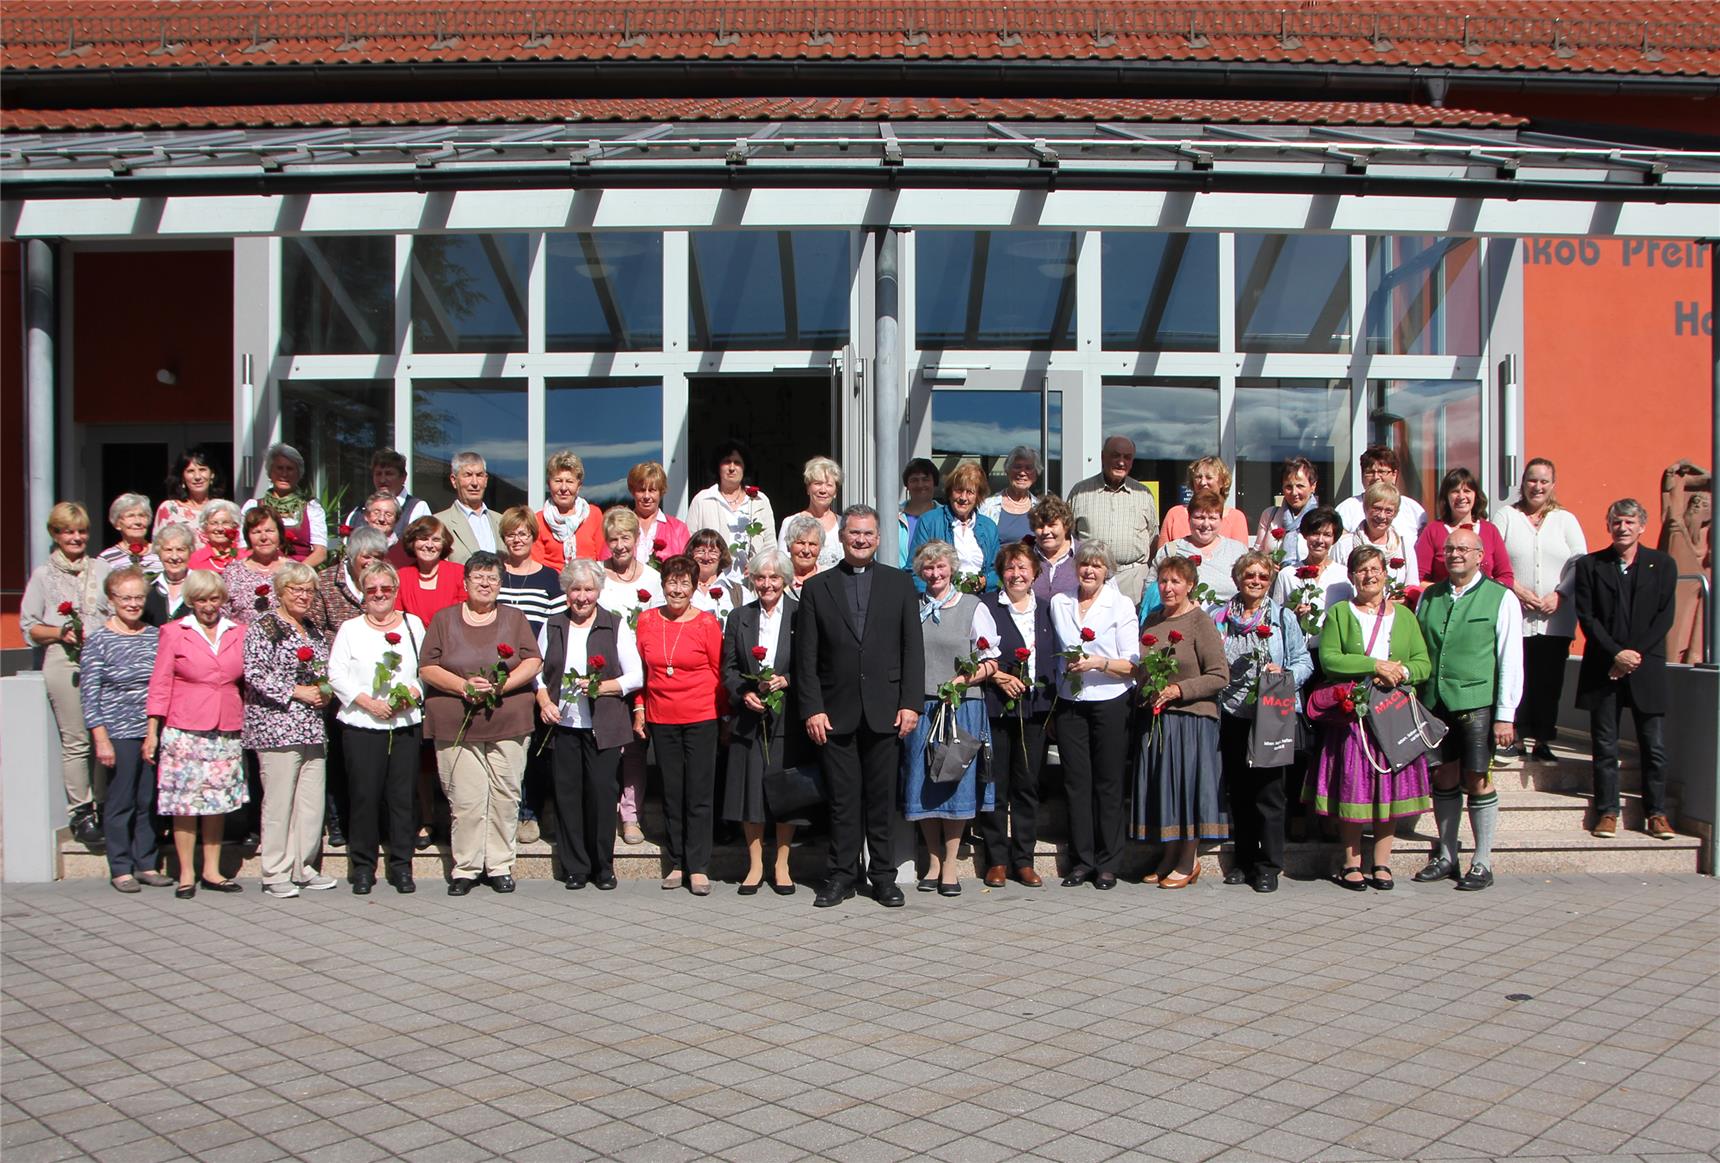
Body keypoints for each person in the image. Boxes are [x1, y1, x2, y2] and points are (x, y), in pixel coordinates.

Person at [798, 505, 924, 909]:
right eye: (854, 533)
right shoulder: (817, 588)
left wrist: (911, 703)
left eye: (869, 534)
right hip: (835, 711)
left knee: (882, 800)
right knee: (842, 800)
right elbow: (807, 657)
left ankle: (884, 877)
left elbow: (912, 649)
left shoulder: (900, 584)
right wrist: (812, 708)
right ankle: (841, 876)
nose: (861, 540)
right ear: (842, 537)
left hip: (886, 710)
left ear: (880, 538)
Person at [1305, 545, 1434, 891]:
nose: (1370, 575)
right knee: (1355, 787)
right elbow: (1331, 659)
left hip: (1392, 714)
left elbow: (1423, 663)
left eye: (1375, 568)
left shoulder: (1405, 617)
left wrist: (1401, 671)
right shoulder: (1340, 614)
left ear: (1385, 573)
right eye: (1362, 570)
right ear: (1351, 577)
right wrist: (1374, 665)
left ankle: (1382, 862)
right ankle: (1351, 862)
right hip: (1355, 716)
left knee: (1387, 791)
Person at [419, 551, 543, 894]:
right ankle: (467, 867)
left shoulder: (515, 618)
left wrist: (502, 685)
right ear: (466, 583)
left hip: (508, 720)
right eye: (479, 577)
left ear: (501, 584)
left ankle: (500, 865)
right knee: (467, 800)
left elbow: (533, 661)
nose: (486, 584)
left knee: (505, 796)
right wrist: (462, 686)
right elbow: (427, 668)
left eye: (493, 578)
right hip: (455, 723)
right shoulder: (444, 620)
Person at [1412, 527, 1524, 892]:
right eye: (1449, 549)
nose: (1455, 554)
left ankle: (1482, 860)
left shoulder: (1500, 598)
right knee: (1443, 776)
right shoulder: (1429, 596)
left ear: (1481, 556)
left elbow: (1510, 658)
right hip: (1434, 702)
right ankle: (1447, 854)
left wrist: (1506, 712)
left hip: (1476, 702)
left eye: (1464, 548)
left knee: (1476, 778)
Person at [1574, 499, 1678, 842]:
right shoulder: (1591, 565)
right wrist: (1617, 654)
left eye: (1630, 522)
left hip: (1647, 666)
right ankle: (1607, 812)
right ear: (1609, 525)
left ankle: (1657, 813)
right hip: (1604, 667)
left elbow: (1664, 616)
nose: (1623, 527)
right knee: (1605, 744)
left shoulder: (1662, 565)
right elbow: (1587, 617)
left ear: (1641, 526)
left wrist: (1633, 655)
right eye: (1617, 522)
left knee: (1654, 745)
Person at [536, 559, 641, 892]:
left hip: (604, 727)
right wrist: (544, 701)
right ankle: (575, 867)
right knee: (567, 797)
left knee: (600, 793)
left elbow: (636, 675)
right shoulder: (553, 625)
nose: (581, 597)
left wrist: (601, 687)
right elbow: (537, 673)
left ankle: (603, 866)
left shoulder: (614, 625)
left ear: (599, 591)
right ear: (567, 591)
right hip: (564, 725)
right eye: (575, 589)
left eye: (588, 589)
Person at [144, 569, 249, 898]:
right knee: (185, 803)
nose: (208, 605)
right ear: (190, 600)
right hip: (184, 727)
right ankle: (186, 873)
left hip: (226, 726)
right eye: (201, 599)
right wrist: (152, 731)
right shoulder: (174, 632)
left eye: (214, 598)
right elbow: (159, 684)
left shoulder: (239, 632)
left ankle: (212, 870)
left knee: (216, 802)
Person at [903, 540, 999, 897]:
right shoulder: (912, 607)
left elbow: (991, 661)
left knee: (953, 782)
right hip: (923, 707)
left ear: (952, 568)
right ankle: (931, 860)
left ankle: (950, 864)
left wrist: (960, 681)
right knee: (925, 783)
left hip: (961, 707)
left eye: (941, 566)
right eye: (928, 568)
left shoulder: (973, 607)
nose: (935, 573)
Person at [1214, 553, 1313, 894]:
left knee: (1269, 793)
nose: (1256, 581)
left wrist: (1284, 674)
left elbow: (1304, 661)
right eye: (1249, 575)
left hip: (1271, 714)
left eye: (1262, 576)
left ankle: (1269, 865)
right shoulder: (1221, 618)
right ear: (1238, 578)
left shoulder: (1283, 617)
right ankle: (1242, 860)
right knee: (1239, 791)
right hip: (1232, 712)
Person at [328, 562, 425, 895]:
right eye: (372, 590)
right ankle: (363, 868)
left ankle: (401, 867)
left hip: (404, 724)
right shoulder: (350, 629)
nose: (380, 594)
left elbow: (426, 668)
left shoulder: (413, 624)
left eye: (386, 588)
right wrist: (367, 702)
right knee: (365, 797)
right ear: (362, 594)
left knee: (401, 799)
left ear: (396, 591)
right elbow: (336, 675)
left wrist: (411, 694)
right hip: (362, 724)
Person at [1048, 540, 1139, 890]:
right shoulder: (1060, 603)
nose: (1089, 570)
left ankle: (1108, 862)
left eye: (1097, 565)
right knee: (1076, 784)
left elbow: (1132, 664)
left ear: (1107, 571)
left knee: (1108, 783)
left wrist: (1098, 662)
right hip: (1071, 700)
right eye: (1085, 564)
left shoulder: (1121, 605)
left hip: (1110, 699)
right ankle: (1082, 861)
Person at [1136, 556, 1232, 888]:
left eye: (1176, 581)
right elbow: (1142, 670)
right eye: (1163, 581)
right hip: (1159, 719)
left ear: (1190, 585)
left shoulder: (1199, 622)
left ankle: (1188, 861)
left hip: (1192, 719)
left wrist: (1179, 689)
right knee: (1167, 789)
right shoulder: (1151, 620)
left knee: (1187, 788)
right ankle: (1169, 854)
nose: (1168, 587)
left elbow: (1220, 675)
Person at [20, 501, 112, 846]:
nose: (76, 537)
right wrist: (60, 632)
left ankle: (104, 802)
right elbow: (29, 627)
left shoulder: (101, 568)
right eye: (68, 531)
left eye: (81, 531)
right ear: (55, 534)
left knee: (102, 732)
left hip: (101, 658)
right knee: (76, 738)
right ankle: (81, 809)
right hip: (65, 660)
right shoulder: (44, 576)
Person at [634, 554, 726, 896]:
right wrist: (639, 708)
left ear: (692, 588)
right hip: (662, 717)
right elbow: (641, 673)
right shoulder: (646, 621)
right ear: (662, 586)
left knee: (699, 794)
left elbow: (718, 672)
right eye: (671, 582)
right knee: (673, 793)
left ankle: (699, 866)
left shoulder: (705, 623)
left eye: (684, 583)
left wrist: (723, 715)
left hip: (701, 716)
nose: (677, 589)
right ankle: (676, 862)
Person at [243, 562, 337, 898]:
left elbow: (321, 671)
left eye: (309, 590)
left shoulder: (310, 629)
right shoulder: (266, 626)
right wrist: (296, 691)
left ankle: (304, 867)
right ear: (280, 592)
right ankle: (274, 872)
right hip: (276, 726)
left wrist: (323, 692)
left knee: (310, 803)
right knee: (279, 802)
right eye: (295, 589)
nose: (303, 596)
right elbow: (254, 672)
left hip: (311, 726)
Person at [81, 568, 172, 892]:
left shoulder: (153, 635)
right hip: (116, 733)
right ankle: (120, 866)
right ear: (112, 600)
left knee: (148, 800)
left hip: (149, 729)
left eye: (138, 598)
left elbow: (161, 686)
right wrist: (101, 739)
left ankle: (146, 863)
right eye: (126, 598)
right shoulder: (99, 640)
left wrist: (154, 732)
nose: (133, 604)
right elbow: (90, 695)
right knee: (120, 800)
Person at [720, 549, 804, 895]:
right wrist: (743, 693)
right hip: (749, 719)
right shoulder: (739, 617)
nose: (767, 584)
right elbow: (727, 667)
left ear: (784, 579)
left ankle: (782, 864)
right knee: (749, 792)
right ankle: (755, 865)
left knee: (785, 794)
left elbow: (812, 665)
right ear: (751, 580)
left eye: (773, 577)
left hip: (787, 717)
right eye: (760, 577)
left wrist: (787, 679)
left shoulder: (801, 615)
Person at [1495, 458, 1588, 761]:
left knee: (1548, 680)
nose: (1538, 486)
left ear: (1552, 485)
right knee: (1516, 675)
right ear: (1523, 483)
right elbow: (1494, 560)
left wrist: (1560, 595)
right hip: (1516, 617)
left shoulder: (1565, 520)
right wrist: (1516, 590)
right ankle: (1517, 735)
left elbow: (1579, 563)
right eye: (1532, 480)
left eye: (1544, 481)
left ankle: (1543, 739)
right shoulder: (1507, 516)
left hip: (1555, 618)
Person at [979, 541, 1057, 888]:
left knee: (1027, 785)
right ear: (1001, 573)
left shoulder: (1047, 609)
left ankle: (1023, 859)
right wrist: (995, 675)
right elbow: (974, 652)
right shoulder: (986, 607)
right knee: (995, 785)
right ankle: (996, 859)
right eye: (1010, 568)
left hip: (1034, 710)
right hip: (997, 708)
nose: (1016, 574)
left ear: (1035, 572)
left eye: (1023, 567)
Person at [497, 505, 568, 846]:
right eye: (511, 533)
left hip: (537, 673)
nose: (517, 539)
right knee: (506, 749)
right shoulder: (494, 574)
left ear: (533, 536)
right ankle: (507, 812)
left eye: (523, 533)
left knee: (537, 751)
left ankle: (531, 812)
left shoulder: (549, 578)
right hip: (498, 675)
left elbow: (556, 631)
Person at [1066, 435, 1159, 604]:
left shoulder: (1143, 494)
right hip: (1091, 576)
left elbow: (1153, 537)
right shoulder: (1080, 492)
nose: (1121, 462)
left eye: (1127, 457)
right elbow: (1068, 537)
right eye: (1115, 455)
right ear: (1103, 456)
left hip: (1132, 578)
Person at [686, 438, 776, 577]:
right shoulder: (702, 500)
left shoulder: (760, 500)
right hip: (713, 581)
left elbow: (770, 546)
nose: (732, 468)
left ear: (745, 467)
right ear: (718, 466)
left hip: (753, 581)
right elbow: (690, 545)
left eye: (738, 463)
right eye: (727, 462)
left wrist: (759, 566)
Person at [1414, 468, 1516, 588]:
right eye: (1455, 491)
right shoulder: (1433, 531)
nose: (1461, 496)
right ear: (1446, 497)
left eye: (1467, 491)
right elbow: (1419, 579)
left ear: (1475, 495)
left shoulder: (1490, 531)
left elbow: (1506, 576)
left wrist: (1486, 593)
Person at [909, 462, 1001, 593]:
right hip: (940, 600)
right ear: (950, 491)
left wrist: (984, 581)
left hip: (981, 601)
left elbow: (998, 570)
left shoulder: (989, 527)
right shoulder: (929, 521)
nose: (963, 498)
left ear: (978, 496)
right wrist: (935, 598)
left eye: (970, 492)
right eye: (958, 490)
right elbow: (914, 569)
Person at [1269, 506, 1351, 651]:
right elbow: (1276, 618)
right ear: (1305, 535)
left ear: (1334, 538)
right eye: (1315, 533)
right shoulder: (1287, 574)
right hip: (1298, 652)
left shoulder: (1344, 576)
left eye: (1327, 535)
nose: (1320, 540)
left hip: (1334, 651)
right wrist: (1294, 615)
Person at [1152, 490, 1247, 608]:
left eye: (1212, 518)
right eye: (1199, 517)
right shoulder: (1171, 550)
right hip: (1183, 623)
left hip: (1230, 622)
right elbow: (1151, 593)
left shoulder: (1238, 551)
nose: (1206, 524)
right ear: (1189, 519)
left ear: (1221, 520)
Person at [240, 442, 328, 568]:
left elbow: (320, 553)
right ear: (270, 472)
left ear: (299, 474)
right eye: (279, 468)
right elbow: (244, 549)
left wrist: (293, 575)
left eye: (290, 469)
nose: (284, 474)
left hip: (299, 577)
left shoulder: (311, 508)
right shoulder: (253, 506)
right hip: (260, 573)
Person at [1333, 482, 1419, 596]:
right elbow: (1336, 585)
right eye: (1377, 509)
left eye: (1388, 511)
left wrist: (1403, 599)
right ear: (1365, 508)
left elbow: (1412, 586)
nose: (1382, 516)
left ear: (1396, 513)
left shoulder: (1403, 546)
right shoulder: (1344, 545)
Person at [1336, 445, 1428, 545]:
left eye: (1382, 472)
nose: (1376, 477)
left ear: (1394, 475)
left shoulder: (1412, 509)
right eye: (1370, 472)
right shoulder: (1347, 508)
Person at [532, 451, 606, 573]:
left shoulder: (594, 514)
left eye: (570, 481)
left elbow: (602, 557)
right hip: (553, 587)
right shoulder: (538, 520)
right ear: (549, 484)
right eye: (558, 481)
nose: (564, 488)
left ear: (579, 486)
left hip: (589, 585)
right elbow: (536, 566)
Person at [1157, 457, 1250, 548]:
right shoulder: (1175, 514)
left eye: (1209, 477)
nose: (1202, 482)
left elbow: (1240, 560)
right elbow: (1162, 557)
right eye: (1198, 477)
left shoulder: (1236, 518)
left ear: (1222, 482)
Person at [221, 508, 292, 625]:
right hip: (241, 639)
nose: (263, 537)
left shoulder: (294, 571)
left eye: (269, 531)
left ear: (279, 534)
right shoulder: (233, 572)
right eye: (256, 532)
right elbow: (222, 616)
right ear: (248, 537)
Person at [313, 525, 388, 634]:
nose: (372, 563)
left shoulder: (387, 582)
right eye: (366, 557)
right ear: (352, 554)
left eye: (378, 557)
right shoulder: (326, 581)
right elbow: (315, 627)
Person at [340, 449, 430, 539]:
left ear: (403, 477)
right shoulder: (357, 512)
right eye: (378, 474)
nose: (382, 480)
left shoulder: (417, 508)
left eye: (389, 474)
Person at [434, 451, 503, 565]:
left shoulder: (501, 521)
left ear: (485, 480)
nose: (474, 483)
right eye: (468, 475)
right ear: (453, 480)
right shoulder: (439, 523)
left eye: (479, 475)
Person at [396, 516, 467, 626]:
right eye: (423, 539)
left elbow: (467, 615)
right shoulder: (400, 577)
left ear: (444, 544)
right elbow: (397, 618)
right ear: (412, 542)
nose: (429, 545)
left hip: (451, 639)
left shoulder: (460, 573)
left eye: (436, 540)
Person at [777, 456, 844, 573]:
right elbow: (782, 565)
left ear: (835, 492)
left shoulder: (843, 525)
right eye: (817, 483)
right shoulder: (790, 522)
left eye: (829, 485)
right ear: (808, 488)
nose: (823, 490)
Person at [1253, 456, 1322, 565]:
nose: (1294, 492)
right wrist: (1268, 563)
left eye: (1300, 486)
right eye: (1289, 487)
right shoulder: (1270, 515)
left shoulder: (1322, 519)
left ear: (1313, 486)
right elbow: (1256, 554)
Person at [620, 461, 689, 563]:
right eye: (641, 490)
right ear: (633, 491)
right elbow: (606, 565)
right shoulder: (619, 526)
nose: (647, 496)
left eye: (652, 490)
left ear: (661, 492)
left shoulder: (678, 529)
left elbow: (688, 568)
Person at [154, 446, 225, 545]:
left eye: (202, 469)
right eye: (190, 471)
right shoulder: (168, 509)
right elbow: (157, 548)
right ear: (182, 477)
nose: (197, 477)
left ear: (212, 474)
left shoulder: (224, 510)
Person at [979, 445, 1044, 546]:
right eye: (1017, 467)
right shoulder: (987, 506)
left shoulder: (1040, 509)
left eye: (1028, 468)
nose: (1022, 473)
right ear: (1007, 470)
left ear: (1036, 474)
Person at [1029, 495, 1081, 603]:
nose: (1045, 531)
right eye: (1040, 526)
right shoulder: (1025, 554)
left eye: (1052, 525)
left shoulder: (1085, 554)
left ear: (1066, 526)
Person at [143, 522, 196, 625]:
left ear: (190, 552)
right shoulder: (149, 588)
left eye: (180, 550)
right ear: (159, 553)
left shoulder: (201, 586)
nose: (174, 557)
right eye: (168, 550)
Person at [98, 493, 164, 575]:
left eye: (142, 515)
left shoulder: (161, 552)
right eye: (131, 516)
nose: (138, 522)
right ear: (117, 524)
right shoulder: (107, 558)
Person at [688, 528, 741, 627]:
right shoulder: (679, 588)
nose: (706, 557)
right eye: (700, 551)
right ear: (691, 554)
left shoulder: (739, 592)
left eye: (713, 552)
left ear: (721, 556)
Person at [897, 457, 940, 566]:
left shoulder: (946, 516)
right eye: (914, 480)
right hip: (899, 579)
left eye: (925, 479)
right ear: (907, 485)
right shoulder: (893, 517)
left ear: (934, 483)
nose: (920, 485)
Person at [188, 500, 246, 573]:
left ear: (234, 526)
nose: (220, 528)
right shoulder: (195, 559)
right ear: (205, 527)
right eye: (214, 523)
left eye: (225, 523)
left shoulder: (246, 557)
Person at [782, 515, 826, 599]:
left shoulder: (829, 580)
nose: (806, 550)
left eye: (812, 544)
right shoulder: (777, 578)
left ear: (820, 548)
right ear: (788, 545)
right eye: (801, 543)